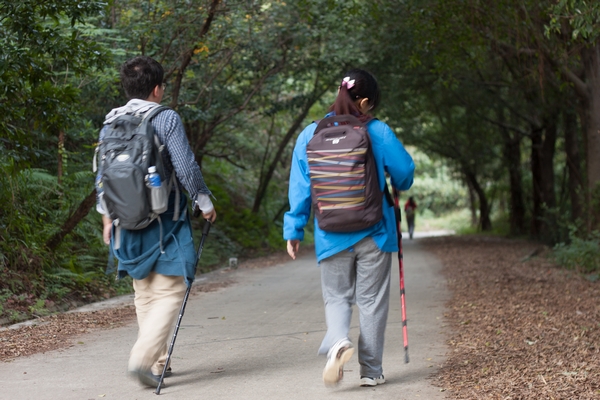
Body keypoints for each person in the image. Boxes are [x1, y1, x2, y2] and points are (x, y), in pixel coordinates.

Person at [283, 69, 415, 387]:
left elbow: (300, 188)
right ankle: (371, 371)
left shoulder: (310, 134)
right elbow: (405, 174)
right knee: (370, 301)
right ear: (366, 101)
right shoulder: (377, 130)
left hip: (330, 232)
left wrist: (294, 230)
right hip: (376, 231)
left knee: (337, 297)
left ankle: (339, 340)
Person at [95, 56, 217, 388]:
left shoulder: (111, 121)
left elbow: (101, 173)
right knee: (172, 290)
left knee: (145, 292)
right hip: (166, 219)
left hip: (124, 220)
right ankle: (142, 358)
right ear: (157, 89)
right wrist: (204, 201)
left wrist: (106, 216)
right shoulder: (165, 118)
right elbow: (186, 165)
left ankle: (159, 360)